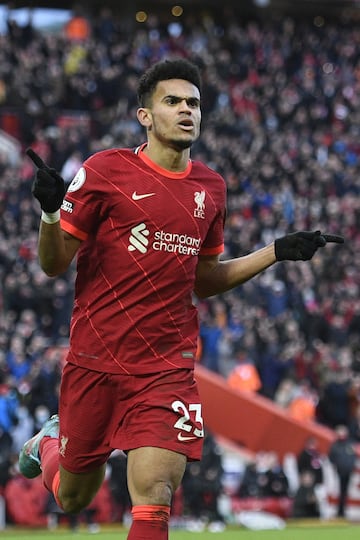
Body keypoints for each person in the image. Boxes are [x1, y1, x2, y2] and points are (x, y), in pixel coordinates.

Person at [19, 58, 344, 540]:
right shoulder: (106, 170)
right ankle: (48, 442)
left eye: (193, 102)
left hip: (165, 369)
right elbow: (53, 263)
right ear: (145, 116)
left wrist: (275, 252)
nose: (186, 110)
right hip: (95, 361)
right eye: (172, 101)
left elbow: (205, 279)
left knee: (155, 495)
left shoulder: (211, 188)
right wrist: (50, 213)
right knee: (73, 496)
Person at [328, 424, 357, 518]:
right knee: (339, 491)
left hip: (348, 471)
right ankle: (339, 511)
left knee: (345, 492)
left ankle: (343, 510)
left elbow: (353, 456)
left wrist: (351, 466)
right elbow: (331, 457)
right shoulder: (335, 445)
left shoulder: (350, 443)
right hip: (339, 472)